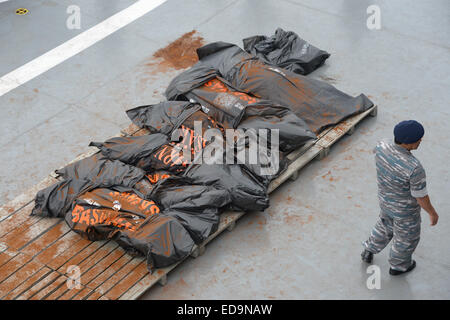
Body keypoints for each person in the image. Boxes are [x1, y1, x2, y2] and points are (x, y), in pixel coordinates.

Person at [361, 120, 439, 275]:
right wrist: (432, 213)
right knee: (406, 239)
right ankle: (399, 266)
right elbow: (421, 197)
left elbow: (376, 152)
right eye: (418, 139)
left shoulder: (382, 145)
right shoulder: (414, 167)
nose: (420, 141)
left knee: (384, 225)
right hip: (405, 212)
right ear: (409, 143)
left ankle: (369, 249)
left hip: (385, 201)